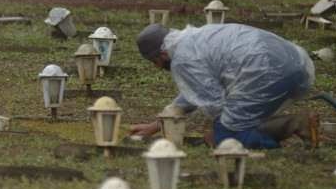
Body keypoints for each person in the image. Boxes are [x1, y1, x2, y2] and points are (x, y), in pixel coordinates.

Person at [129, 23, 317, 149]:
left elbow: (213, 102)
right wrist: (157, 125)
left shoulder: (181, 59)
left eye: (154, 62)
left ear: (160, 56)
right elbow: (194, 91)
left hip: (266, 71)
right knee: (242, 120)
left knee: (225, 136)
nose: (157, 67)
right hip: (294, 64)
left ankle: (291, 129)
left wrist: (218, 131)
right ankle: (297, 123)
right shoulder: (192, 39)